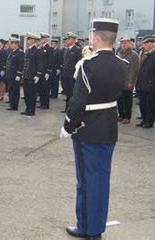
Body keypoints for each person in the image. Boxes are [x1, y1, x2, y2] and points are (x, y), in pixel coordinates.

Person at [60, 18, 128, 240]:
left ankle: (88, 228)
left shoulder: (88, 65)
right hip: (108, 126)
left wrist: (68, 125)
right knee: (101, 179)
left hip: (87, 129)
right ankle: (95, 227)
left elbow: (78, 102)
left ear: (95, 37)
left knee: (87, 181)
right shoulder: (122, 64)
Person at [136, 35, 155, 128]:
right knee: (143, 103)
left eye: (145, 43)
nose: (143, 45)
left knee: (151, 105)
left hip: (151, 85)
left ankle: (149, 121)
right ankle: (144, 119)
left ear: (151, 44)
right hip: (143, 83)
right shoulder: (146, 53)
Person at [116, 37, 139, 124]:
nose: (123, 45)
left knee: (127, 100)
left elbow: (134, 70)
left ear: (130, 44)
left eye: (125, 43)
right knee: (120, 99)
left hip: (127, 80)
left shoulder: (134, 55)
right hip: (119, 80)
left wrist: (131, 81)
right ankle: (121, 115)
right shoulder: (119, 53)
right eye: (122, 43)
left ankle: (127, 116)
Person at [21, 33, 43, 116]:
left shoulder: (37, 51)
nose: (27, 41)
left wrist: (38, 75)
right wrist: (23, 73)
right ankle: (27, 108)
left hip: (32, 76)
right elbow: (26, 63)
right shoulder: (28, 50)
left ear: (33, 40)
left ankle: (31, 110)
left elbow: (40, 64)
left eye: (29, 39)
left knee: (32, 94)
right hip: (26, 75)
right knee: (26, 94)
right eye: (27, 39)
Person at [61, 32, 82, 112]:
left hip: (72, 75)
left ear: (73, 40)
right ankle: (67, 107)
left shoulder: (77, 50)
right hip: (66, 74)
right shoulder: (67, 50)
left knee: (72, 93)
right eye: (68, 39)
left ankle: (71, 108)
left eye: (69, 39)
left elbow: (78, 63)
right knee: (67, 92)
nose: (67, 40)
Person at [5, 38, 24, 111]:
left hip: (15, 75)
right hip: (10, 75)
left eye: (12, 44)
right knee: (10, 90)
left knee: (15, 91)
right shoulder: (11, 52)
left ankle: (14, 106)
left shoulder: (20, 53)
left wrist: (19, 75)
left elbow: (20, 64)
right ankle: (11, 104)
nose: (10, 45)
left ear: (16, 44)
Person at [38, 32, 53, 109]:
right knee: (41, 88)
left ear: (46, 39)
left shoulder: (49, 48)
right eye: (41, 38)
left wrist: (48, 71)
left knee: (45, 89)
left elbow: (50, 61)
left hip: (45, 72)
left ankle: (45, 104)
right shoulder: (41, 48)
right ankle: (42, 103)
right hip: (40, 72)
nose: (41, 40)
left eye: (42, 38)